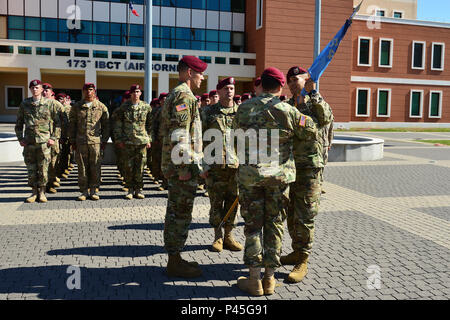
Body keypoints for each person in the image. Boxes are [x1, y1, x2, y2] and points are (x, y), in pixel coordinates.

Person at [233, 67, 319, 296]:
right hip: (278, 179)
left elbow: (234, 139)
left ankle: (254, 280)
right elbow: (312, 130)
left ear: (262, 83)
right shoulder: (287, 110)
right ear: (280, 86)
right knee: (274, 226)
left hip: (250, 178)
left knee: (252, 228)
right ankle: (269, 280)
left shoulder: (243, 108)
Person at [282, 65, 333, 283]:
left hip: (310, 169)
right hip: (289, 168)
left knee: (305, 216)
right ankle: (295, 250)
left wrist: (313, 93)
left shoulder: (314, 103)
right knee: (292, 214)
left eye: (297, 79)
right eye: (290, 80)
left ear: (305, 80)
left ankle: (303, 260)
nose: (294, 82)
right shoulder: (286, 105)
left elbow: (326, 119)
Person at [160, 55, 207, 278]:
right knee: (180, 213)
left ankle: (175, 257)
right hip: (183, 169)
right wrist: (184, 170)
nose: (202, 77)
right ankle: (174, 261)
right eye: (199, 72)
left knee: (175, 211)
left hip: (180, 166)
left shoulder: (176, 94)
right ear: (189, 72)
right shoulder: (184, 96)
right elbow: (180, 136)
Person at [201, 77, 242, 253]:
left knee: (233, 203)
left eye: (232, 88)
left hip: (235, 167)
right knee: (216, 202)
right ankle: (217, 236)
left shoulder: (241, 113)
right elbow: (198, 139)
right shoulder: (208, 113)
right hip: (215, 167)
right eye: (225, 88)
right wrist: (202, 165)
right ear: (218, 92)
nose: (229, 91)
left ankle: (229, 236)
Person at [15, 80, 61, 203]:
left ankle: (42, 192)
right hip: (29, 143)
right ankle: (33, 192)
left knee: (43, 169)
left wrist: (53, 138)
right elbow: (19, 123)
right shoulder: (25, 104)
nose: (35, 89)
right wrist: (20, 138)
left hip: (44, 143)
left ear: (41, 89)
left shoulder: (49, 103)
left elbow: (58, 123)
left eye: (37, 87)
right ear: (30, 89)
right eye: (32, 88)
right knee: (31, 169)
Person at [69, 83, 110, 201]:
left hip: (95, 143)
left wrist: (104, 140)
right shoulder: (76, 107)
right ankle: (83, 191)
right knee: (82, 167)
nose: (88, 92)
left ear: (94, 91)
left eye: (91, 90)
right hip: (80, 142)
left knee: (95, 167)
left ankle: (93, 190)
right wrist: (72, 140)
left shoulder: (101, 107)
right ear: (83, 92)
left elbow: (107, 125)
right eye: (86, 90)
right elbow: (72, 125)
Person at [113, 84, 152, 200]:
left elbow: (150, 125)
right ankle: (130, 189)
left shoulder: (146, 107)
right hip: (128, 142)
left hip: (141, 142)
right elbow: (118, 125)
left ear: (140, 93)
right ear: (130, 94)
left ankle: (138, 190)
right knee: (128, 167)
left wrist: (149, 138)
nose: (136, 94)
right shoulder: (124, 108)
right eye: (134, 92)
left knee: (140, 167)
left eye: (138, 92)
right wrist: (119, 139)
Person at [42, 83, 64, 194]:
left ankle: (50, 184)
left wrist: (59, 137)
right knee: (41, 164)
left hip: (53, 139)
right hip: (40, 140)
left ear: (51, 92)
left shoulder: (57, 105)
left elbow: (63, 121)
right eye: (43, 90)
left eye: (47, 90)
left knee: (52, 163)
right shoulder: (36, 104)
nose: (44, 92)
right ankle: (41, 187)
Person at [151, 93, 168, 191]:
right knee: (162, 161)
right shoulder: (158, 111)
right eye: (163, 99)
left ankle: (170, 183)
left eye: (167, 99)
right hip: (161, 139)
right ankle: (163, 182)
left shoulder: (174, 109)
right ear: (160, 101)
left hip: (172, 140)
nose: (165, 101)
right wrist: (154, 139)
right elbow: (154, 126)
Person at [55, 93, 72, 180]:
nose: (60, 101)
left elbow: (69, 124)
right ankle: (58, 173)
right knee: (59, 155)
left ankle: (62, 171)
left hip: (65, 135)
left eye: (62, 99)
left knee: (65, 154)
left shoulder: (68, 109)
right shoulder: (54, 108)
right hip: (56, 136)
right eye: (59, 99)